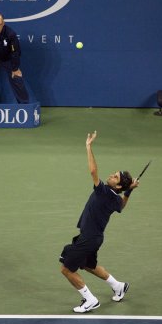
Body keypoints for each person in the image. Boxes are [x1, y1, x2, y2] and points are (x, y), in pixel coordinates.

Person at [59, 131, 139, 313]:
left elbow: (93, 171)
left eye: (115, 177)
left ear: (117, 186)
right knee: (88, 265)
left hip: (89, 238)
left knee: (66, 269)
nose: (111, 175)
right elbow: (122, 206)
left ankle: (89, 299)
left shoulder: (103, 191)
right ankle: (118, 286)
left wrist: (88, 146)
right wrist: (129, 191)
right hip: (94, 237)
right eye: (114, 174)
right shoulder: (116, 198)